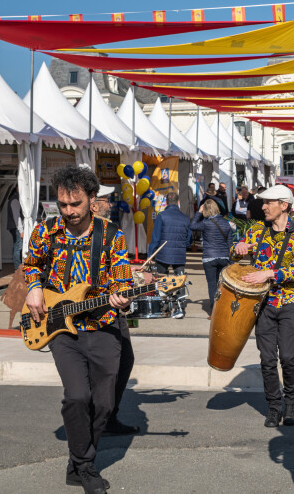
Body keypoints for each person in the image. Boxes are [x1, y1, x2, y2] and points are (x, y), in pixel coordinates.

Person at [23, 166, 133, 494]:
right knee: (77, 397)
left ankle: (77, 461)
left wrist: (122, 297)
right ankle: (84, 465)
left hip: (102, 325)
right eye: (63, 205)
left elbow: (124, 278)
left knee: (102, 403)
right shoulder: (45, 231)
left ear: (92, 201)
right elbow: (31, 264)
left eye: (76, 204)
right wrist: (33, 287)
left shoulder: (112, 235)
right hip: (60, 327)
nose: (69, 212)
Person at [233, 185, 294, 427]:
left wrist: (269, 273)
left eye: (268, 202)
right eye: (262, 202)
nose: (263, 206)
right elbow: (236, 253)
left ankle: (292, 404)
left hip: (288, 304)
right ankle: (274, 408)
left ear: (284, 205)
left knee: (288, 358)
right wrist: (238, 249)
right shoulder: (257, 230)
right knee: (267, 360)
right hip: (262, 304)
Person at [91, 185, 140, 437]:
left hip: (112, 308)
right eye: (105, 200)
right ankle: (97, 420)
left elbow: (115, 268)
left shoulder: (111, 232)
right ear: (92, 203)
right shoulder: (84, 234)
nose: (110, 205)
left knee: (125, 360)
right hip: (90, 311)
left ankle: (108, 417)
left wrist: (134, 277)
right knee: (104, 367)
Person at [190, 199, 235, 315]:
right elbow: (230, 244)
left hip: (209, 257)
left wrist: (198, 213)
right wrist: (231, 260)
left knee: (211, 284)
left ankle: (214, 312)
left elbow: (192, 226)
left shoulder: (205, 223)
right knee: (221, 284)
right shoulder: (226, 223)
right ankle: (222, 308)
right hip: (224, 257)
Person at [147, 192, 191, 278]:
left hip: (163, 254)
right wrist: (184, 245)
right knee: (180, 281)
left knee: (161, 280)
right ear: (178, 202)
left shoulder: (161, 216)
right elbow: (189, 238)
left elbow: (156, 238)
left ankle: (165, 292)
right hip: (179, 253)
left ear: (166, 202)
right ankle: (180, 292)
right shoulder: (186, 218)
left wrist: (150, 254)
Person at [7, 190, 23, 267]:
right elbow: (17, 216)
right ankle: (18, 267)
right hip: (16, 227)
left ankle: (17, 265)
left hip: (14, 226)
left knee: (16, 246)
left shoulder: (13, 199)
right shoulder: (15, 200)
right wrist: (21, 230)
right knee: (18, 247)